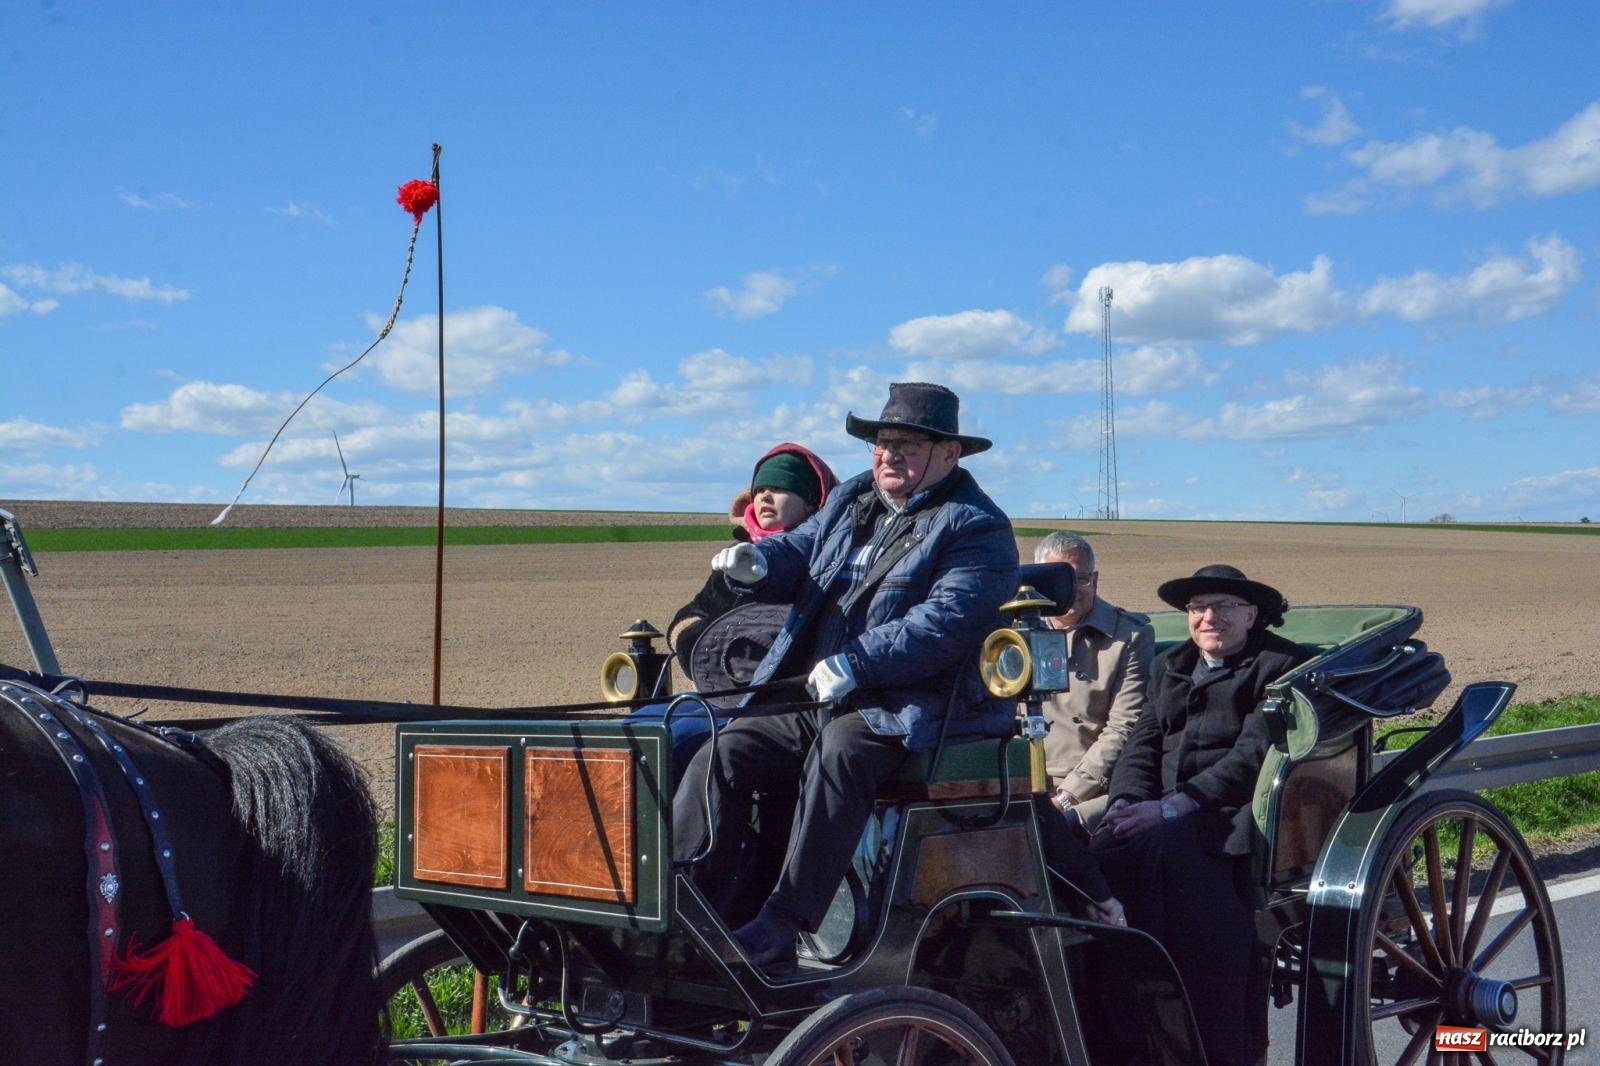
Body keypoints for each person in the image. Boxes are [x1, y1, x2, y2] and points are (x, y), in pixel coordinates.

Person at [671, 382, 1019, 968]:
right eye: (882, 442)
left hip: (909, 705)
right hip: (823, 694)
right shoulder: (855, 499)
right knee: (724, 749)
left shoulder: (975, 526)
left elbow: (944, 622)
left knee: (840, 751)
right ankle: (686, 902)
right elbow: (801, 549)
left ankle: (785, 921)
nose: (888, 455)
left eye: (907, 443)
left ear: (950, 454)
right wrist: (754, 564)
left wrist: (858, 662)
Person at [1091, 564, 1309, 1066]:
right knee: (1099, 853)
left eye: (1224, 606)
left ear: (1251, 615)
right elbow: (1142, 744)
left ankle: (1218, 1046)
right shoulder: (1169, 666)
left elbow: (1254, 755)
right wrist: (1124, 802)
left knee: (1175, 865)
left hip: (1231, 814)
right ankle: (1129, 1031)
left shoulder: (1279, 666)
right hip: (1160, 812)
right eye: (1198, 608)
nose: (1210, 617)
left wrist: (1173, 807)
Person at [667, 443, 837, 684]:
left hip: (789, 700)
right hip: (718, 694)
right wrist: (697, 643)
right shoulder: (734, 555)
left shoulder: (825, 561)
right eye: (760, 489)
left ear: (811, 502)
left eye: (779, 488)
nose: (765, 496)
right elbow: (693, 611)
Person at [1032, 531, 1152, 835]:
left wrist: (1067, 796)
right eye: (1058, 580)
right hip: (1021, 782)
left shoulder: (1128, 637)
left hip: (1091, 789)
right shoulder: (1013, 635)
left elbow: (1123, 727)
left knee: (1051, 835)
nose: (1071, 590)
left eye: (1081, 579)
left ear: (1095, 580)